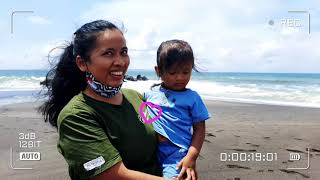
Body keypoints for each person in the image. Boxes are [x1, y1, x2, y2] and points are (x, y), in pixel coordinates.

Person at [39, 20, 197, 180]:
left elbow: (167, 137)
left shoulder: (135, 97)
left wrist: (186, 161)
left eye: (123, 52)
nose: (121, 62)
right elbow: (112, 175)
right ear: (82, 63)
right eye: (108, 53)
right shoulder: (75, 117)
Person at [144, 40, 210, 179]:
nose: (180, 77)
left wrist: (191, 157)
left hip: (177, 154)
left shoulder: (192, 98)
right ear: (158, 71)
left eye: (186, 72)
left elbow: (200, 130)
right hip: (150, 151)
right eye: (173, 72)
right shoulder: (150, 94)